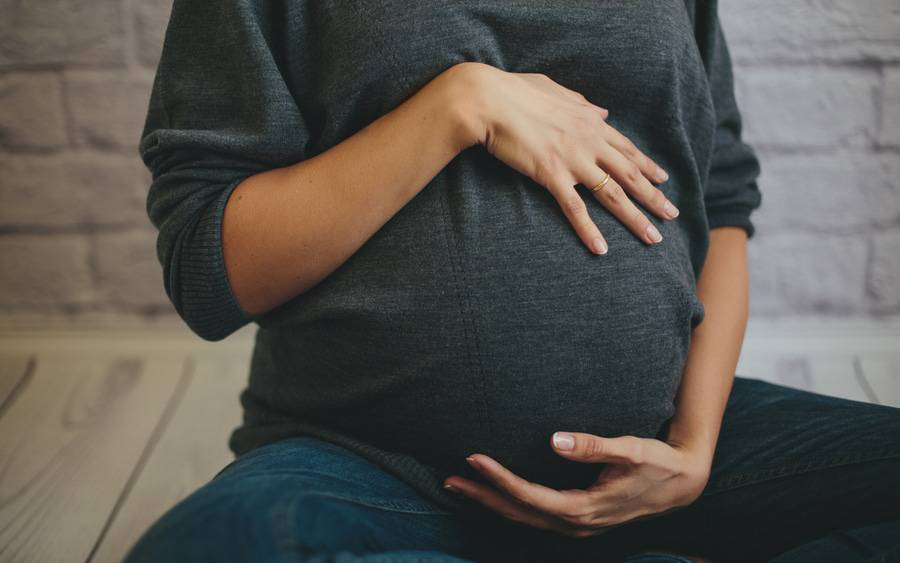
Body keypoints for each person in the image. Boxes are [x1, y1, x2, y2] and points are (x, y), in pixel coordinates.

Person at [125, 1, 900, 561]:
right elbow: (208, 266)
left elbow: (721, 203)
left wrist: (693, 452)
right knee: (211, 547)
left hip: (655, 460)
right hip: (370, 462)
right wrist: (458, 105)